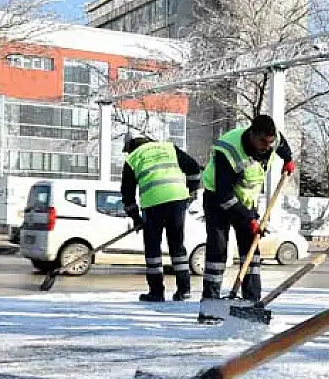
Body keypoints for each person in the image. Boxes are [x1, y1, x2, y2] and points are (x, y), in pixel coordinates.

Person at [198, 114, 294, 322]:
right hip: (218, 198)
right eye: (263, 142)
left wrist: (288, 160)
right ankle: (210, 303)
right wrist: (248, 219)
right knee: (218, 248)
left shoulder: (272, 139)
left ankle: (251, 300)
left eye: (270, 143)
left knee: (251, 248)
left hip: (247, 200)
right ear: (252, 134)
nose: (267, 147)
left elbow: (283, 146)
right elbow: (225, 195)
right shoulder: (228, 150)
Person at [121, 136, 202, 302]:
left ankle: (156, 292)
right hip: (177, 200)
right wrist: (190, 192)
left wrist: (136, 218)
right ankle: (184, 290)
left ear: (131, 148)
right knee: (177, 247)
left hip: (153, 204)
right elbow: (194, 169)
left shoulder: (133, 158)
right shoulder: (169, 148)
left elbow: (127, 193)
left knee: (153, 251)